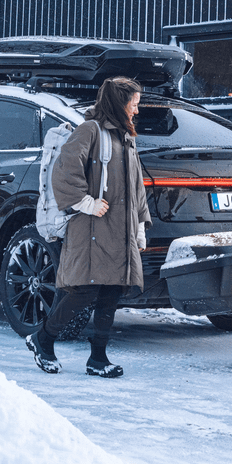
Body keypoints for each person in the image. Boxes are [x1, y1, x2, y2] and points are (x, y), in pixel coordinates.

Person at [26, 76, 152, 378]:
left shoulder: (125, 137)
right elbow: (65, 172)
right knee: (85, 290)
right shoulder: (89, 131)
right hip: (93, 226)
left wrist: (139, 228)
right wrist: (86, 203)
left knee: (111, 291)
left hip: (119, 229)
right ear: (118, 103)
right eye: (133, 104)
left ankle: (98, 358)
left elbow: (136, 187)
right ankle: (42, 338)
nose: (136, 110)